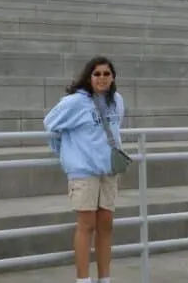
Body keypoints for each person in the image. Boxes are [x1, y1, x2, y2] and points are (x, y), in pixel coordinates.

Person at [43, 56, 125, 283]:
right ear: (89, 77)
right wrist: (66, 154)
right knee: (86, 225)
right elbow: (51, 124)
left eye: (106, 74)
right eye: (97, 74)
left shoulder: (116, 100)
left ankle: (105, 278)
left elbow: (117, 128)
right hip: (84, 171)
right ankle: (83, 279)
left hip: (108, 170)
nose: (102, 78)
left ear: (113, 77)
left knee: (106, 224)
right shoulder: (75, 102)